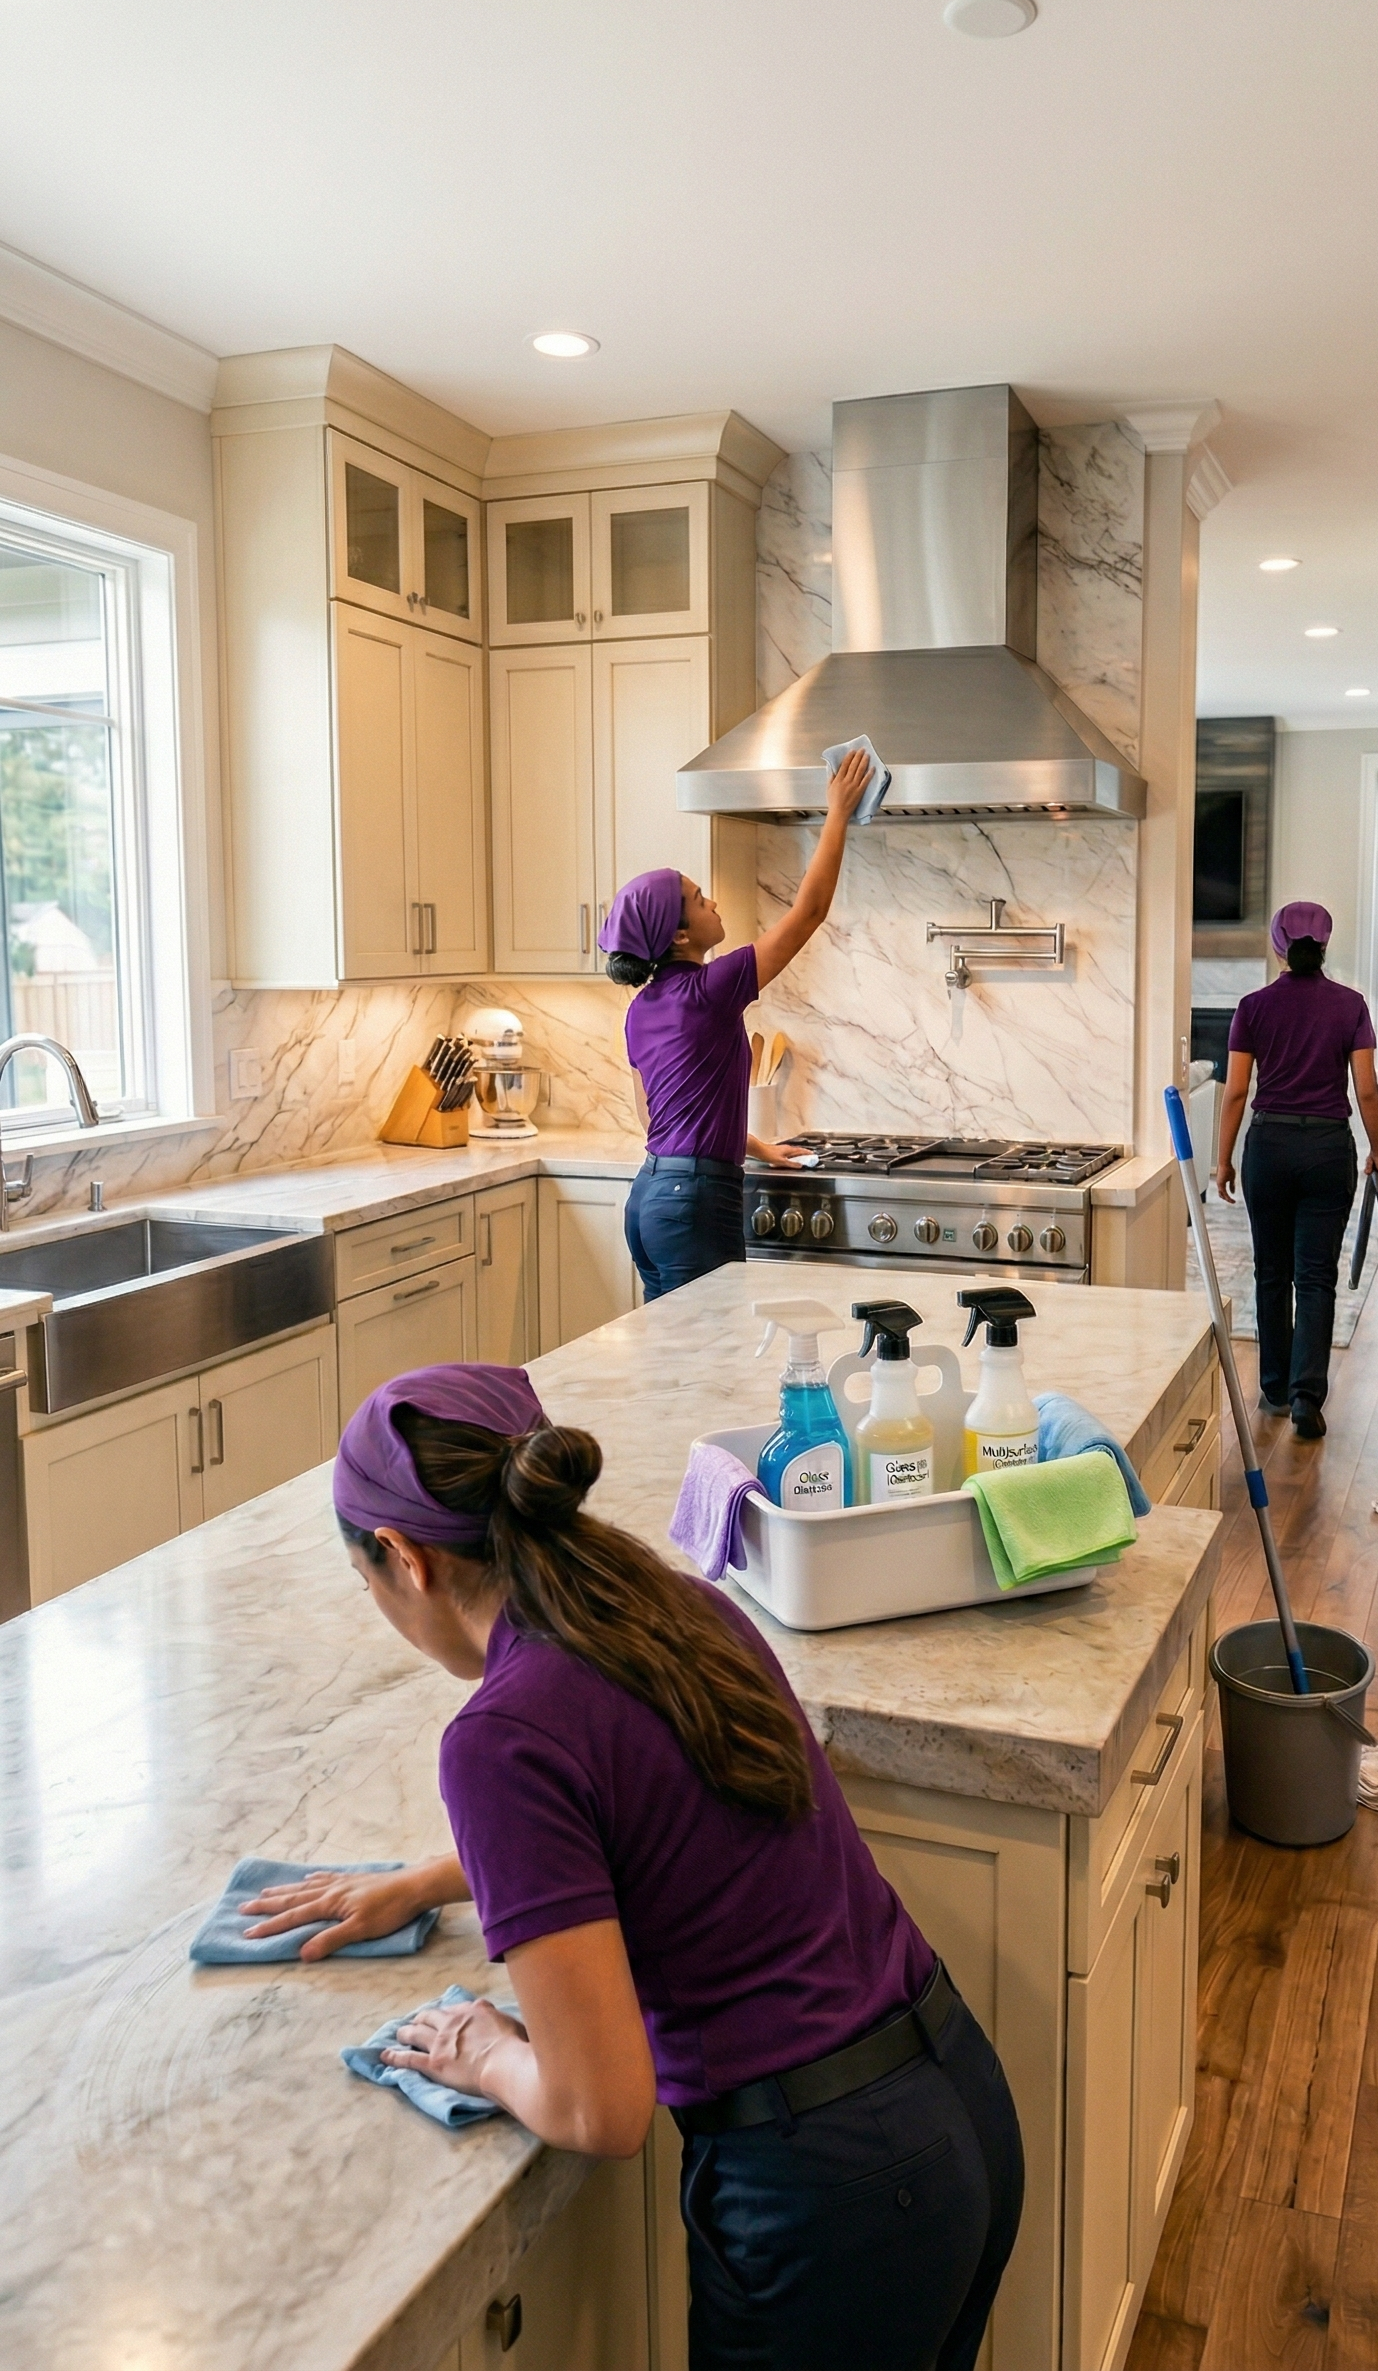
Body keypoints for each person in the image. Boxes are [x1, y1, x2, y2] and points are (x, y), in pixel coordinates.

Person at [239, 1365, 1024, 2371]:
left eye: (369, 1582)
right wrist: (431, 1877)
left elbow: (595, 2105)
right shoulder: (671, 1604)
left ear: (404, 1556)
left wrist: (483, 2050)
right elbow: (639, 1810)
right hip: (955, 2100)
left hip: (825, 2191)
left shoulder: (500, 1734)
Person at [599, 745, 874, 1301]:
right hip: (697, 1203)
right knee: (708, 1368)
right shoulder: (711, 988)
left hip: (650, 1200)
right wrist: (838, 811)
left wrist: (757, 1147)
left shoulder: (641, 1009)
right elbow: (809, 912)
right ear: (678, 936)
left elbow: (658, 1120)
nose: (714, 902)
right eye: (700, 900)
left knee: (676, 1364)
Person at [1213, 900, 1378, 1440]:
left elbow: (1238, 1090)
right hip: (1329, 1149)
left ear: (1277, 944)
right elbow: (1365, 1088)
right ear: (1325, 944)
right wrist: (1377, 1150)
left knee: (1272, 1271)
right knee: (1316, 1276)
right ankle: (1307, 1395)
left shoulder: (1253, 1006)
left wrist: (1223, 1159)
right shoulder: (1351, 1005)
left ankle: (1273, 1386)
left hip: (1269, 1146)